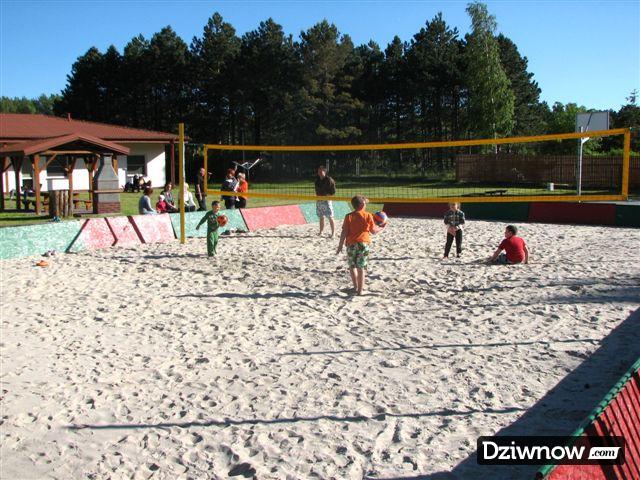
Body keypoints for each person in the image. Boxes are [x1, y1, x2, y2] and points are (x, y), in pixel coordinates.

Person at [336, 195, 385, 295]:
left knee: (352, 266)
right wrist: (381, 228)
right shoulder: (368, 215)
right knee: (361, 267)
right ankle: (360, 291)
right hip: (363, 244)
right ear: (362, 205)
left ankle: (355, 287)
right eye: (365, 203)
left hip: (351, 244)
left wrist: (340, 245)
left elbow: (344, 231)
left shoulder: (348, 216)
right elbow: (373, 231)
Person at [315, 165, 337, 237]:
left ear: (325, 172)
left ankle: (333, 233)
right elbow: (317, 191)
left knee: (330, 217)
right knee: (321, 217)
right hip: (319, 200)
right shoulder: (317, 180)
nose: (319, 173)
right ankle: (321, 232)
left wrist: (329, 195)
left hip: (327, 200)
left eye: (321, 171)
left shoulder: (329, 180)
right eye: (319, 171)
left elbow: (333, 191)